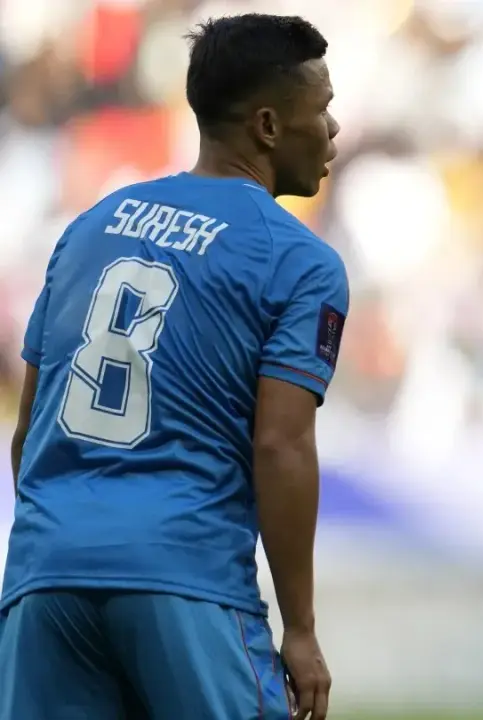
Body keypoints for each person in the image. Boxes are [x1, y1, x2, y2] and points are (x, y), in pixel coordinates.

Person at [0, 14, 344, 720]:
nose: (335, 129)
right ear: (270, 126)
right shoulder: (298, 259)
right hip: (183, 573)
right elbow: (280, 445)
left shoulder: (90, 227)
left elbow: (28, 427)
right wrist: (302, 630)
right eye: (324, 109)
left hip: (46, 573)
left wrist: (60, 542)